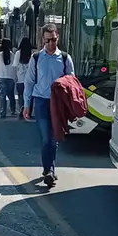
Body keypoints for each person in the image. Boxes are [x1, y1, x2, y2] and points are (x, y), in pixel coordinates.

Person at [23, 23, 75, 187]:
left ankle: (49, 171)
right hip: (41, 101)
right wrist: (26, 105)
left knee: (54, 139)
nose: (51, 43)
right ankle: (49, 170)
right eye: (47, 41)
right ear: (43, 41)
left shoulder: (66, 58)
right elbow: (29, 82)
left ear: (57, 37)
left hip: (58, 103)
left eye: (53, 40)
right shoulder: (36, 58)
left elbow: (72, 82)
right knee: (46, 139)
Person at [0, 38, 17, 118]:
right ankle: (13, 110)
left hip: (1, 77)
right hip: (10, 77)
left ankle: (3, 112)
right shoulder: (12, 55)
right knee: (11, 95)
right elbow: (14, 68)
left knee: (2, 96)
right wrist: (15, 77)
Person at [13, 37, 32, 119]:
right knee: (29, 96)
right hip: (30, 80)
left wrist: (15, 77)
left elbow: (15, 66)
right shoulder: (32, 54)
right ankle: (28, 111)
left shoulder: (18, 53)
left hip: (20, 79)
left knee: (21, 95)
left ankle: (22, 109)